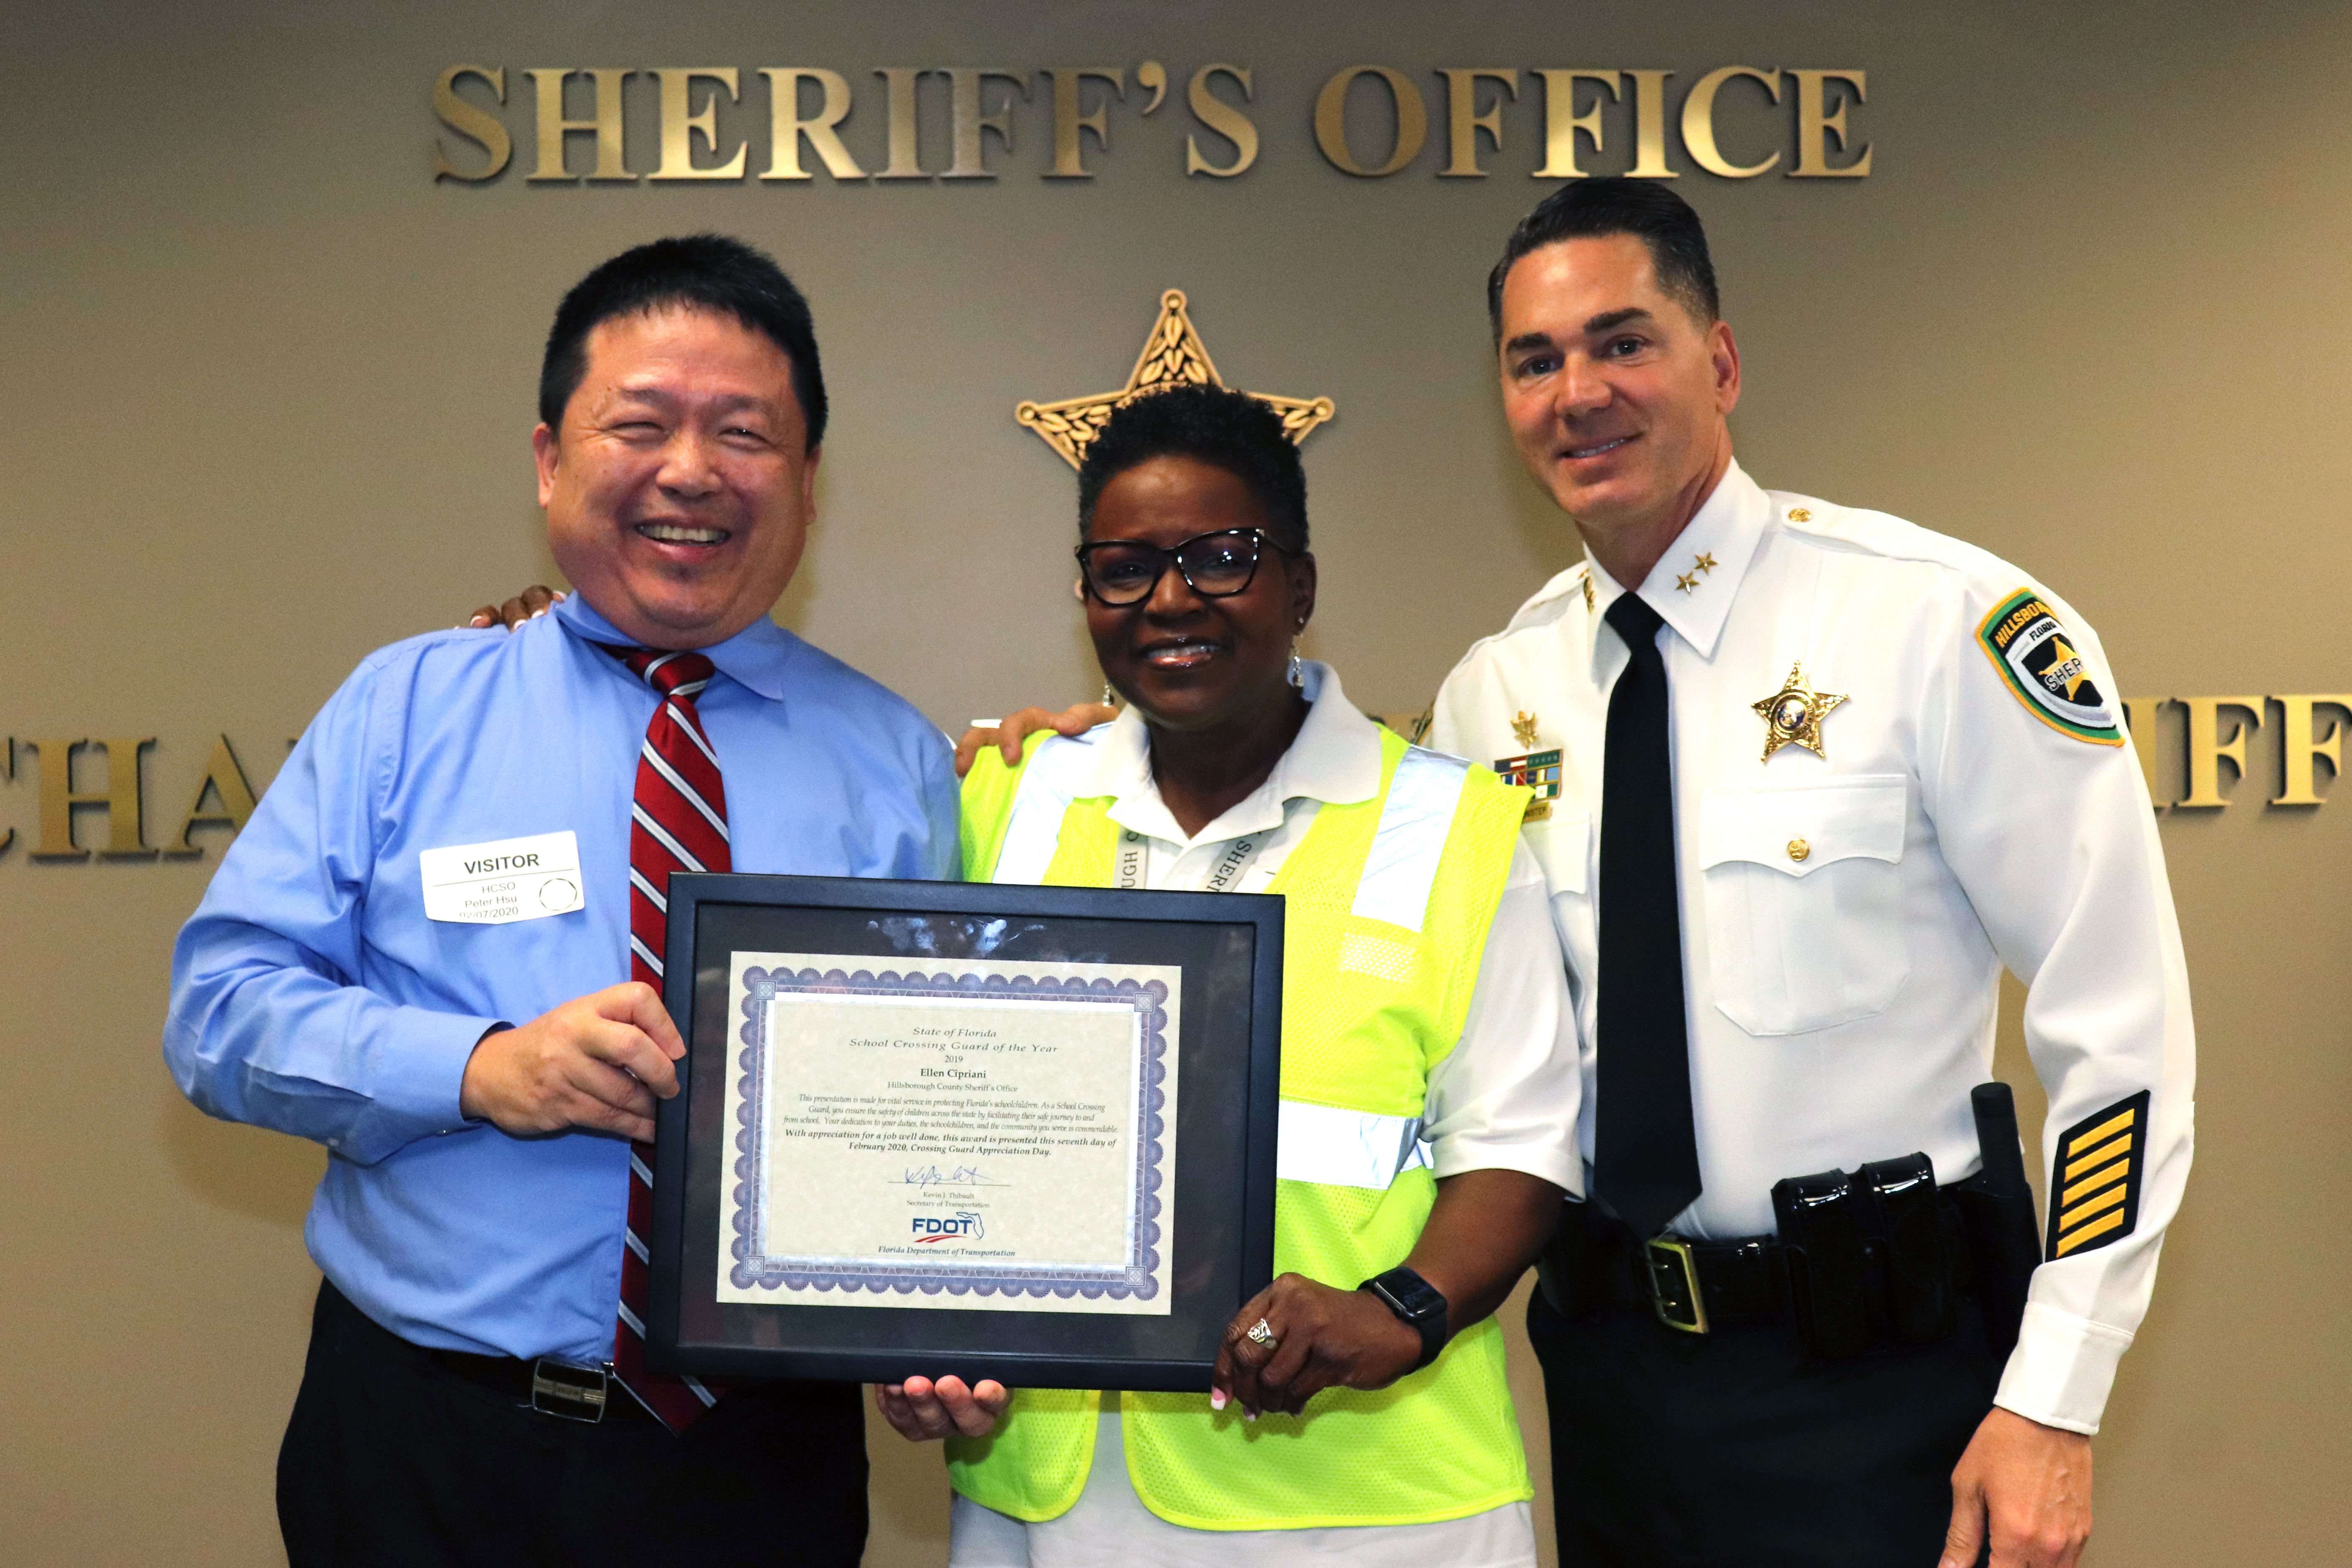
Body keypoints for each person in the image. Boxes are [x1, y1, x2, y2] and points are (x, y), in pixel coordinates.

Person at [968, 181, 2194, 1568]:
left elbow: (2123, 1035)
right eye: (1534, 359)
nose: (1578, 393)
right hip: (1612, 1377)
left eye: (1624, 342)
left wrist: (2056, 1394)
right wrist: (1105, 736)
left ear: (1719, 361)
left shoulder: (1935, 626)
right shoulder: (1498, 695)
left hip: (1885, 1372)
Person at [164, 234, 958, 1566]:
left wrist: (942, 1311)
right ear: (549, 460)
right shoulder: (403, 707)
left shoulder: (897, 761)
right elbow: (218, 1015)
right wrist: (483, 1068)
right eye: (640, 424)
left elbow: (937, 1102)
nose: (692, 471)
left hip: (759, 1460)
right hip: (432, 1446)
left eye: (744, 433)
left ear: (810, 481)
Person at [890, 383, 1580, 1567]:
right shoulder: (1001, 800)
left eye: (1221, 557)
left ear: (1300, 586)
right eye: (1127, 566)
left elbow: (1520, 1151)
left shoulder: (1456, 826)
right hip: (1041, 1503)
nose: (1171, 599)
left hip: (1371, 1508)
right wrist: (905, 1333)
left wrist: (1395, 1310)